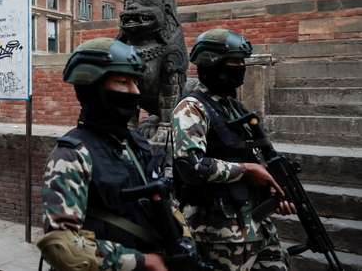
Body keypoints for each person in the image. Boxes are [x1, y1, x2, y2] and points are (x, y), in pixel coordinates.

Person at [39, 37, 184, 271]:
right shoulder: (71, 155)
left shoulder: (135, 143)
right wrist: (141, 262)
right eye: (122, 82)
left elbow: (163, 201)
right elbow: (61, 247)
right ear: (92, 87)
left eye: (135, 82)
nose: (134, 91)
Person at [172, 29, 293, 271]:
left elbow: (255, 156)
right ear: (212, 65)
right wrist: (246, 170)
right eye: (233, 62)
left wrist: (274, 189)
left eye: (241, 62)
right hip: (218, 231)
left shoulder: (235, 108)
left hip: (256, 223)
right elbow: (191, 167)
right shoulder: (192, 108)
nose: (240, 67)